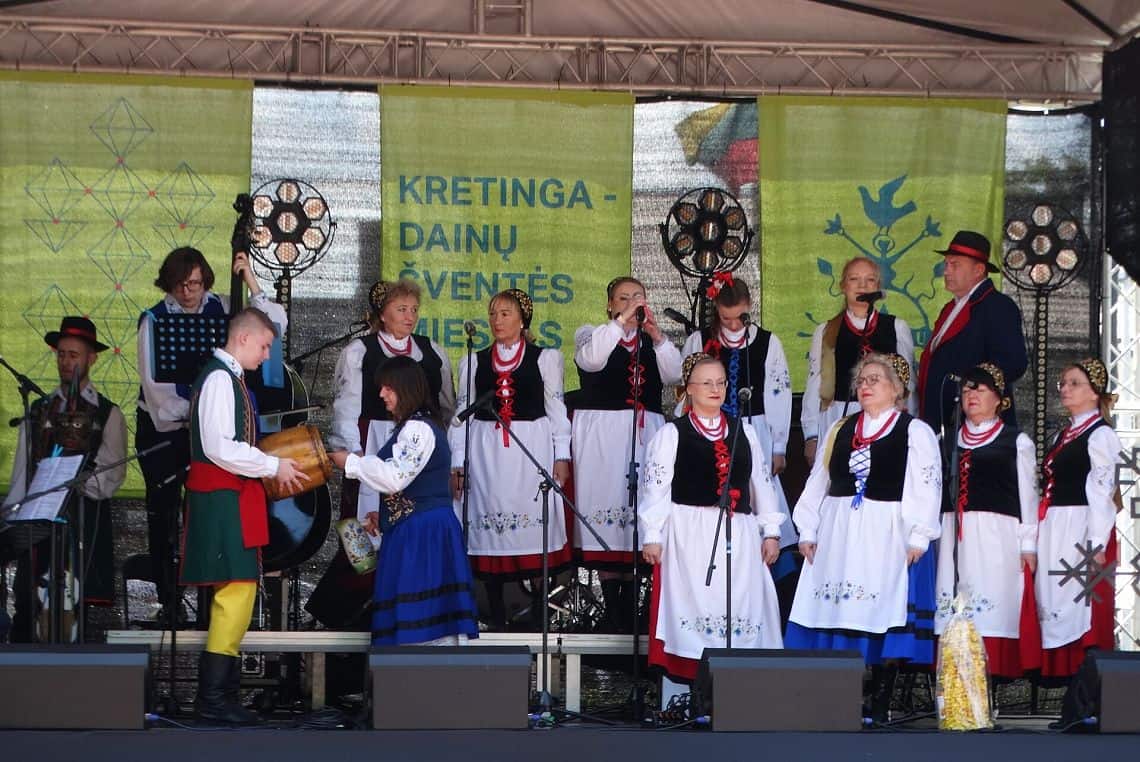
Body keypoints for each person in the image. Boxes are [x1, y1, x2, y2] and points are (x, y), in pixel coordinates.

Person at [785, 353, 941, 725]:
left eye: (875, 379)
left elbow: (926, 485)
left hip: (885, 530)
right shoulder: (841, 429)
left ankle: (880, 700)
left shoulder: (913, 431)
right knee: (838, 608)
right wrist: (808, 528)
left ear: (896, 389)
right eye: (861, 380)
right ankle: (839, 697)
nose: (865, 386)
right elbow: (818, 482)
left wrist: (918, 535)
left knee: (881, 609)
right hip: (839, 529)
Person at [136, 246, 284, 618]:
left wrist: (250, 279)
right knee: (163, 512)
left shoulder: (223, 307)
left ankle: (211, 598)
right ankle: (170, 601)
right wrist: (203, 410)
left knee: (210, 509)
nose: (189, 292)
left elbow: (273, 324)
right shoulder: (153, 320)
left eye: (196, 284)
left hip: (207, 424)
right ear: (168, 284)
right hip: (165, 428)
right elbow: (156, 390)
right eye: (180, 285)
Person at [181, 308, 307, 724]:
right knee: (235, 590)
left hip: (229, 496)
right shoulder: (220, 379)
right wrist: (273, 465)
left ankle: (222, 696)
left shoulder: (227, 378)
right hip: (222, 497)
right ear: (244, 338)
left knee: (238, 591)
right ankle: (214, 699)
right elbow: (220, 447)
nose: (267, 355)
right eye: (265, 346)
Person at [308, 279, 455, 629]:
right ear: (382, 314)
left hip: (417, 447)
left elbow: (447, 405)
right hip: (369, 440)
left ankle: (393, 601)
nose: (410, 316)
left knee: (404, 521)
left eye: (414, 309)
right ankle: (347, 608)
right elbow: (346, 406)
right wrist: (352, 452)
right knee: (358, 526)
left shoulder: (432, 352)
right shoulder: (360, 351)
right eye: (401, 309)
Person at [640, 353, 784, 702]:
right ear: (688, 389)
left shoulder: (745, 431)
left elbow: (761, 484)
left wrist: (771, 530)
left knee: (741, 603)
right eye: (706, 383)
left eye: (720, 382)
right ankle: (694, 692)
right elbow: (655, 488)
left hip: (740, 533)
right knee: (695, 604)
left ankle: (739, 690)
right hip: (691, 533)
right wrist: (652, 535)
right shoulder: (672, 434)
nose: (715, 388)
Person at [330, 356, 478, 645]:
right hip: (413, 530)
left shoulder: (418, 429)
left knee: (424, 623)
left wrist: (351, 462)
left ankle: (425, 671)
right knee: (418, 621)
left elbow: (395, 476)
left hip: (424, 534)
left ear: (406, 388)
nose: (382, 394)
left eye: (388, 387)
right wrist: (386, 514)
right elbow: (407, 485)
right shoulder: (412, 427)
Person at [449, 288, 571, 631]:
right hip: (487, 453)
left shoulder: (545, 358)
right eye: (493, 314)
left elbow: (556, 409)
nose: (496, 320)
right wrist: (458, 462)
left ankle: (537, 614)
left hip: (530, 450)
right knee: (489, 526)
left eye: (505, 314)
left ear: (522, 320)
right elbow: (461, 414)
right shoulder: (474, 361)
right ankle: (496, 616)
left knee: (533, 528)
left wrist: (562, 454)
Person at [679, 273, 798, 617]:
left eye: (739, 317)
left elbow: (779, 393)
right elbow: (685, 389)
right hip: (707, 432)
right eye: (726, 317)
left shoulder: (767, 342)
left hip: (752, 429)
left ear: (749, 307)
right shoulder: (699, 340)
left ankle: (766, 589)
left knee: (760, 500)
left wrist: (778, 445)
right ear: (716, 310)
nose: (733, 324)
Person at [4, 317, 127, 642]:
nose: (65, 362)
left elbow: (113, 472)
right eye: (61, 354)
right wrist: (15, 518)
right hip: (38, 524)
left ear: (91, 358)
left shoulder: (107, 413)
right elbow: (21, 473)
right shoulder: (38, 410)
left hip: (82, 523)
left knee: (76, 609)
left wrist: (79, 483)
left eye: (74, 355)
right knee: (29, 605)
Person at [572, 276, 681, 631]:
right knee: (606, 504)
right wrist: (620, 323)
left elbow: (675, 375)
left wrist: (658, 336)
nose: (633, 302)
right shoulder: (591, 333)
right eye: (623, 297)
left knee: (641, 508)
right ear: (609, 305)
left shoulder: (652, 341)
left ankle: (633, 610)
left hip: (645, 432)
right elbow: (591, 361)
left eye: (638, 297)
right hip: (603, 435)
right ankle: (613, 612)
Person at [933, 363, 1041, 678]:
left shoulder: (1016, 442)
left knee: (992, 598)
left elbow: (1028, 496)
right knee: (953, 596)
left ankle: (991, 676)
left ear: (999, 399)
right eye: (967, 388)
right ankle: (955, 682)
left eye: (980, 389)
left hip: (997, 536)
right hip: (954, 534)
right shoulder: (947, 440)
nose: (971, 394)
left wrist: (1028, 544)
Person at [1035, 358, 1121, 679]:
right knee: (1057, 602)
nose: (1065, 389)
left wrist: (1096, 543)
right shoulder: (1066, 434)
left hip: (1083, 528)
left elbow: (1103, 492)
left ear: (1094, 392)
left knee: (1083, 609)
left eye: (1074, 383)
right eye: (1063, 383)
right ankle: (1066, 684)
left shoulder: (1100, 436)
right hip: (1057, 527)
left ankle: (1086, 691)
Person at [802, 256, 916, 466]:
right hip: (839, 417)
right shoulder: (826, 331)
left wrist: (909, 425)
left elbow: (908, 385)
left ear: (878, 287)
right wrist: (811, 435)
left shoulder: (896, 328)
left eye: (870, 280)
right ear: (843, 286)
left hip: (886, 418)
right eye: (854, 279)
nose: (862, 286)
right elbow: (814, 383)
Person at [917, 230, 1028, 438]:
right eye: (946, 264)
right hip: (945, 424)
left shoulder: (997, 306)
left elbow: (1013, 363)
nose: (946, 271)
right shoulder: (950, 308)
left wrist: (971, 388)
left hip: (975, 425)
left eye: (955, 265)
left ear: (978, 270)